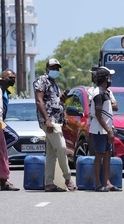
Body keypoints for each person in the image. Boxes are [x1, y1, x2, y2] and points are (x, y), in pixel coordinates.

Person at [33, 58, 77, 192]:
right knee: (62, 148)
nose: (55, 70)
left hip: (56, 121)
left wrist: (62, 101)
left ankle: (49, 183)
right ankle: (68, 178)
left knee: (52, 153)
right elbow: (39, 101)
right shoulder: (42, 80)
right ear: (47, 68)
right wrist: (47, 120)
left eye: (57, 68)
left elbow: (55, 103)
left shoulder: (54, 84)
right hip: (49, 122)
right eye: (53, 68)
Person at [89, 67, 122, 192]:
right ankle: (98, 183)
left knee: (108, 154)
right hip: (100, 129)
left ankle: (107, 182)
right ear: (106, 78)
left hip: (107, 128)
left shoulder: (106, 92)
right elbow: (98, 114)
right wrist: (108, 130)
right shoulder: (98, 93)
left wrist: (109, 130)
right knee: (99, 155)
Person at [0, 88, 19, 191]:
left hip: (1, 122)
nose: (12, 80)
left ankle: (4, 181)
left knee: (3, 152)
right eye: (10, 78)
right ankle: (3, 181)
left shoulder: (6, 91)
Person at [1, 69, 19, 149]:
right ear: (3, 78)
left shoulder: (7, 89)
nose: (13, 80)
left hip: (2, 120)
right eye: (10, 77)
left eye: (14, 78)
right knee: (14, 137)